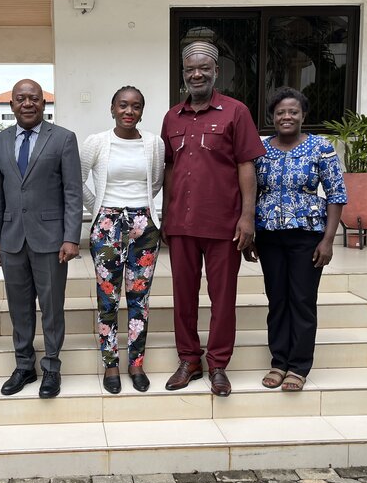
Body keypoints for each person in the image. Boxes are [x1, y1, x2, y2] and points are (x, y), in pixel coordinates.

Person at [161, 41, 266, 397]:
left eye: (204, 68)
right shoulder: (172, 117)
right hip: (181, 224)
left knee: (223, 298)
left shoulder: (235, 112)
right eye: (190, 68)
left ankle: (218, 364)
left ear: (216, 71)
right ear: (184, 73)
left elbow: (246, 165)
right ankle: (189, 360)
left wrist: (247, 217)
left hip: (224, 224)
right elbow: (170, 168)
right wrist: (166, 213)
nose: (197, 74)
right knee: (183, 296)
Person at [243, 87, 347, 392]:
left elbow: (336, 194)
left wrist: (328, 240)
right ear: (272, 117)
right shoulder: (260, 150)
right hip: (269, 237)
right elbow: (250, 192)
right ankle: (279, 361)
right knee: (277, 300)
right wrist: (250, 236)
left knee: (302, 300)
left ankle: (299, 366)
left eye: (293, 112)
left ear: (303, 115)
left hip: (307, 236)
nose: (286, 117)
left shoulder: (320, 147)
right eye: (280, 112)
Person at [0, 79, 82, 399]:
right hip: (12, 238)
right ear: (11, 105)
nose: (28, 104)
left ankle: (52, 367)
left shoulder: (64, 139)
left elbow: (72, 192)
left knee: (52, 306)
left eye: (34, 98)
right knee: (19, 307)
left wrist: (71, 238)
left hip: (51, 239)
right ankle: (24, 366)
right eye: (20, 99)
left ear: (44, 104)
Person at [81, 86, 165, 394]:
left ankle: (136, 363)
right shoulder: (97, 142)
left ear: (142, 110)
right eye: (123, 105)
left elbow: (155, 181)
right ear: (112, 108)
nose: (129, 111)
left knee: (138, 298)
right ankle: (111, 364)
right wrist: (101, 209)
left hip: (143, 225)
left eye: (136, 106)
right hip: (106, 225)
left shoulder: (154, 144)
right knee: (107, 297)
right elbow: (78, 179)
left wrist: (138, 211)